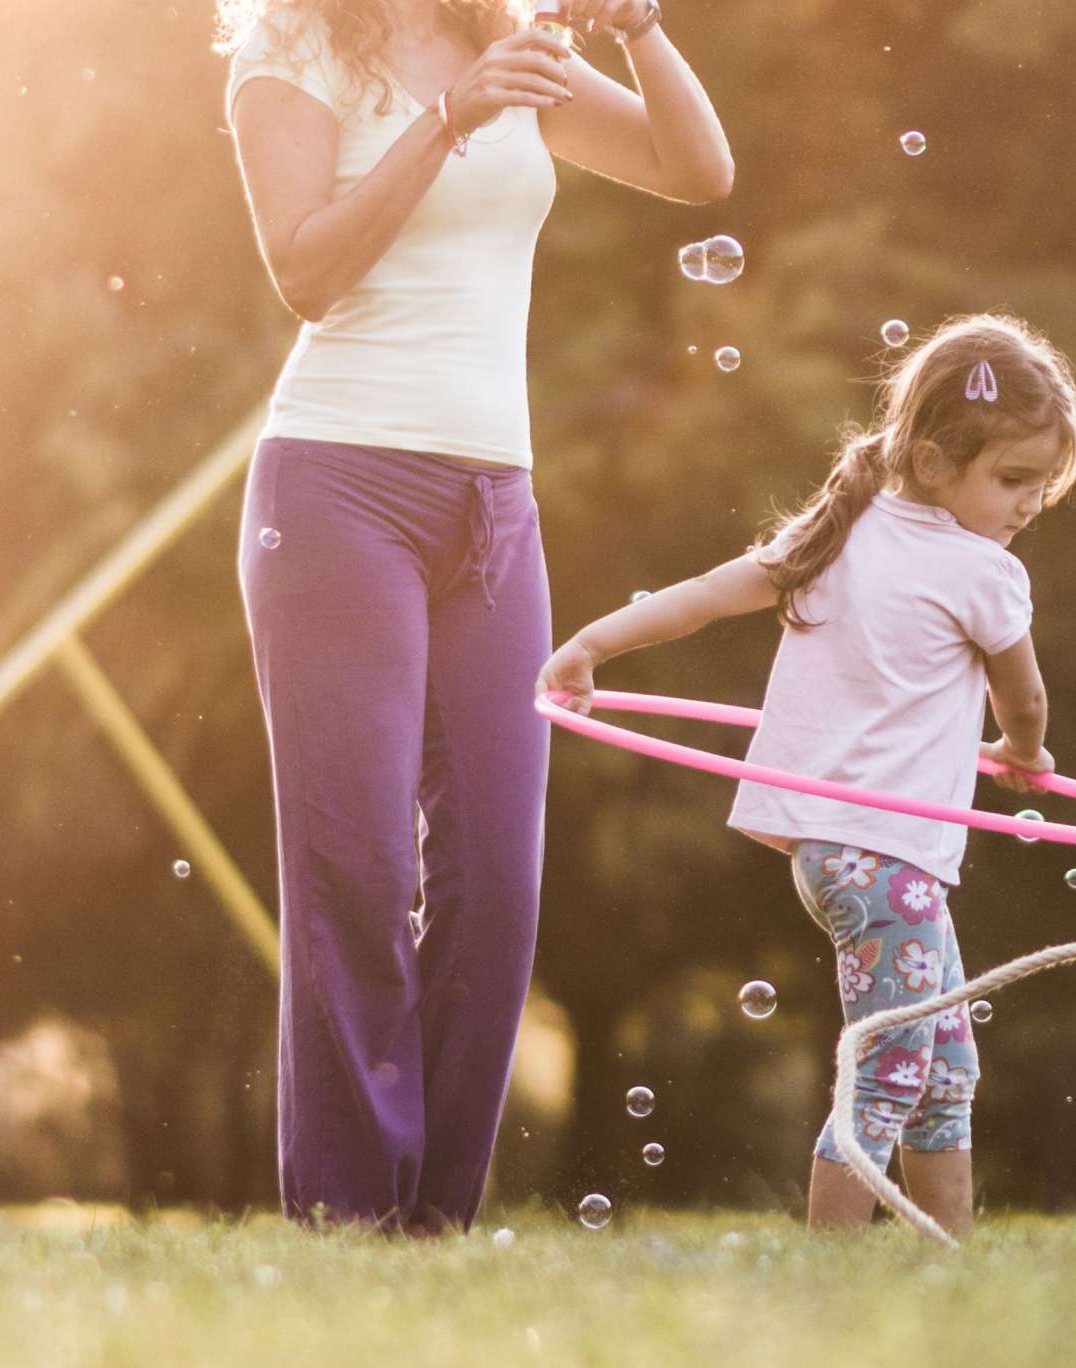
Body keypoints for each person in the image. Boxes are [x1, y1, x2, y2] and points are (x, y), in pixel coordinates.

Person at [216, 0, 731, 1232]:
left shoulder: (512, 43)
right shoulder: (286, 51)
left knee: (498, 880)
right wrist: (450, 117)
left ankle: (433, 1221)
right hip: (339, 487)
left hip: (496, 504)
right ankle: (351, 1216)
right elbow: (305, 273)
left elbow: (695, 172)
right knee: (360, 870)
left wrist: (640, 29)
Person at [536, 316, 1076, 1237]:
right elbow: (1024, 699)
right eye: (1012, 479)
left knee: (946, 1068)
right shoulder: (982, 570)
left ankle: (947, 1255)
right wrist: (1025, 754)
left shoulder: (842, 529)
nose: (1029, 504)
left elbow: (706, 597)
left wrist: (593, 642)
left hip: (835, 853)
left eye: (1043, 483)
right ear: (931, 459)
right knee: (890, 1073)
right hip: (888, 857)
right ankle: (831, 1261)